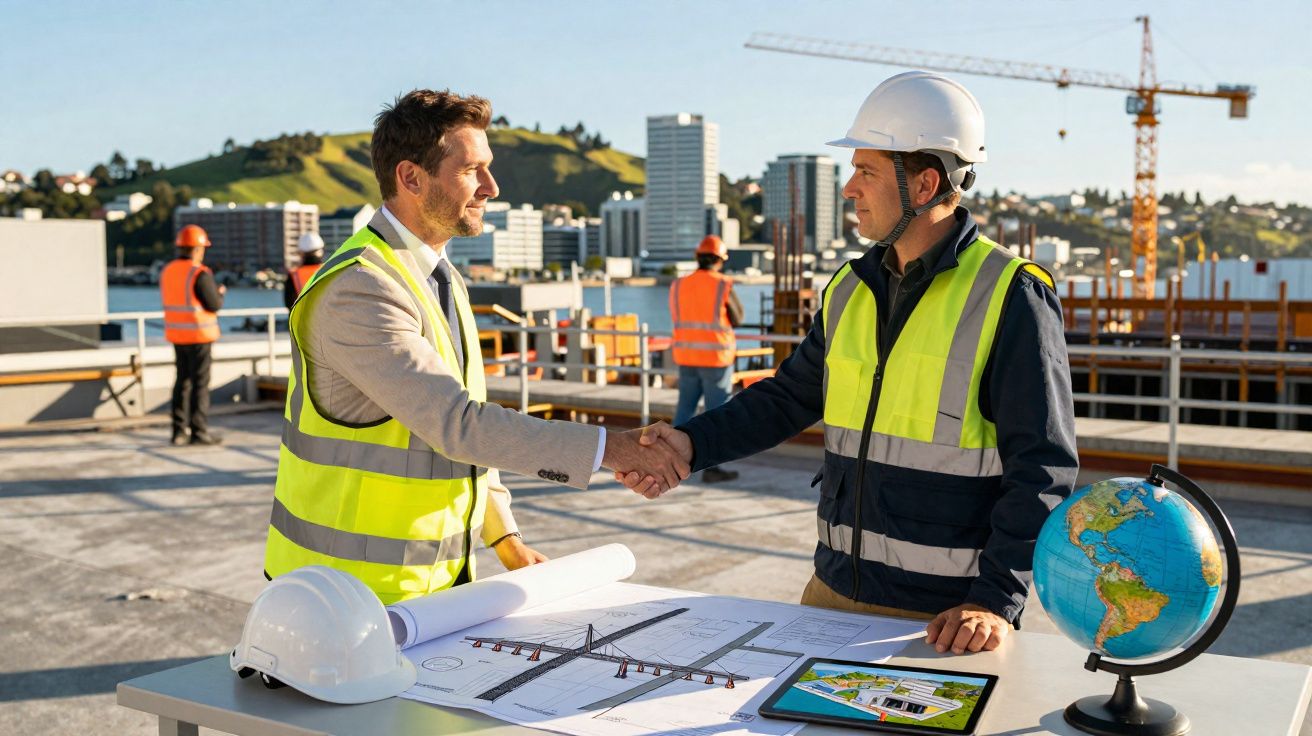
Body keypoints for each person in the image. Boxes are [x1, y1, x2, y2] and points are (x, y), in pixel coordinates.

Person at [625, 71, 1078, 655]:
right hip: (834, 591)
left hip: (947, 619)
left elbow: (1042, 466)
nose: (849, 189)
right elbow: (789, 397)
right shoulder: (851, 288)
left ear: (924, 184)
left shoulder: (1011, 295)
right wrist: (690, 444)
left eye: (864, 170)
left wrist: (994, 601)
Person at [264, 89, 686, 604]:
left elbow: (468, 432)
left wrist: (505, 538)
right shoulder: (360, 288)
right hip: (338, 595)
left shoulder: (439, 279)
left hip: (424, 592)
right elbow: (458, 425)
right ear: (411, 178)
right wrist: (610, 448)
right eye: (472, 170)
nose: (492, 186)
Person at [670, 234, 744, 483]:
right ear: (719, 260)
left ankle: (669, 462)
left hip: (686, 355)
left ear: (697, 257)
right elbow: (738, 317)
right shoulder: (722, 284)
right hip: (715, 358)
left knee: (685, 410)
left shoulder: (679, 284)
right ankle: (713, 469)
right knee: (716, 414)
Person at [160, 224, 225, 446]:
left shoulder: (168, 271)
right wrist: (220, 294)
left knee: (181, 383)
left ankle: (178, 432)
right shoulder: (199, 273)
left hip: (177, 335)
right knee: (200, 385)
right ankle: (199, 431)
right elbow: (213, 304)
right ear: (198, 248)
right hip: (199, 336)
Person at [284, 232, 325, 308]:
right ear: (321, 250)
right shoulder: (329, 270)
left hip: (303, 319)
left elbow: (289, 303)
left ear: (301, 253)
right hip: (327, 317)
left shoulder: (294, 275)